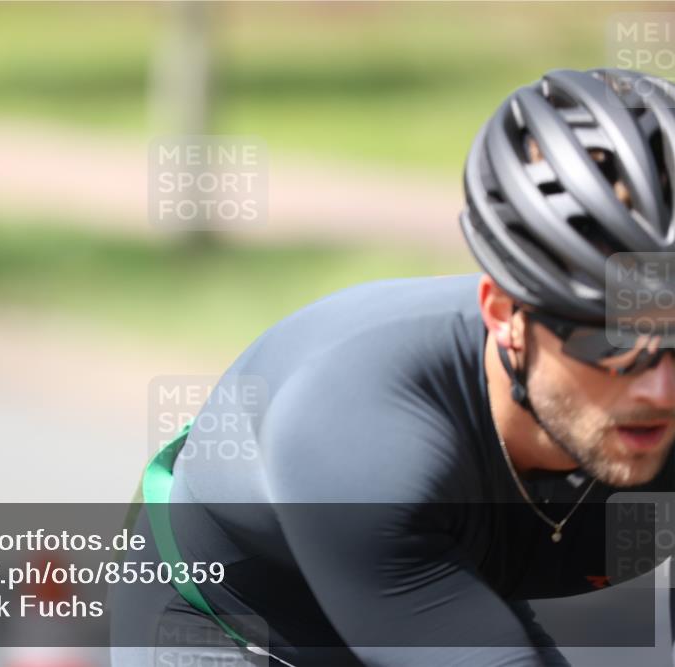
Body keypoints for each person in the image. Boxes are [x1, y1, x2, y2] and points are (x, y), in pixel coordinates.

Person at [109, 68, 675, 667]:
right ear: (505, 315)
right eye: (608, 339)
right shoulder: (360, 426)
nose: (660, 389)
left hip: (435, 580)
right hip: (232, 619)